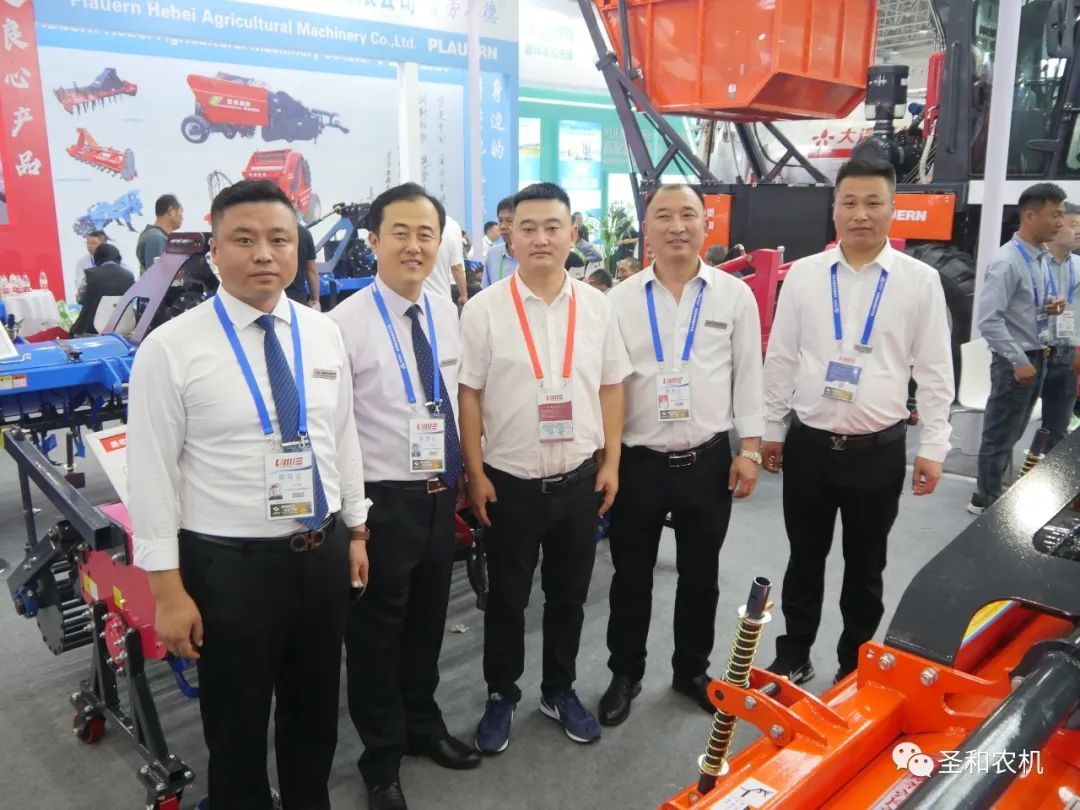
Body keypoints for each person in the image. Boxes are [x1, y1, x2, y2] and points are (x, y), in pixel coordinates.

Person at [126, 180, 371, 810]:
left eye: (279, 239)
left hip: (320, 552)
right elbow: (150, 474)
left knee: (314, 713)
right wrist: (167, 591)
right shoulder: (170, 349)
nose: (264, 253)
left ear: (296, 249)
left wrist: (356, 528)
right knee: (235, 727)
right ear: (213, 250)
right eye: (244, 239)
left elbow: (341, 437)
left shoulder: (322, 333)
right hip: (229, 568)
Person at [761, 157, 954, 686]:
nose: (861, 214)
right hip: (809, 447)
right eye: (849, 202)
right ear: (834, 209)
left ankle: (855, 666)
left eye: (873, 203)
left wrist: (934, 445)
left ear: (893, 209)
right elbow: (781, 358)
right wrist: (773, 429)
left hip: (878, 451)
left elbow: (935, 369)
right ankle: (795, 652)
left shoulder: (920, 282)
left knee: (866, 568)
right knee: (804, 558)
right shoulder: (804, 276)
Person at [459, 182, 632, 752]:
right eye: (527, 227)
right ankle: (501, 693)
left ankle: (559, 690)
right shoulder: (484, 309)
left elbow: (611, 386)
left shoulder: (598, 307)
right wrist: (476, 473)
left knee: (569, 596)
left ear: (572, 234)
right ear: (509, 235)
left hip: (579, 480)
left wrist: (612, 460)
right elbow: (470, 395)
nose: (540, 238)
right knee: (507, 600)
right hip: (509, 483)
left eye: (552, 227)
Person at [328, 183, 480, 810]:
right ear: (373, 241)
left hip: (439, 497)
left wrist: (464, 473)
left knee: (426, 624)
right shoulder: (343, 326)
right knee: (374, 638)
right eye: (401, 232)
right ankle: (381, 758)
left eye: (426, 234)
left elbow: (455, 400)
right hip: (381, 503)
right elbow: (337, 431)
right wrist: (355, 525)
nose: (414, 246)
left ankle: (422, 724)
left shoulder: (446, 313)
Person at [598, 184, 765, 726]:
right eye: (663, 216)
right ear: (646, 228)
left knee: (701, 575)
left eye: (688, 215)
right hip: (638, 461)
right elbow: (606, 385)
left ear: (705, 225)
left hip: (707, 461)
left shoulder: (733, 296)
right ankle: (625, 672)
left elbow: (749, 376)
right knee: (630, 576)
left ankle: (691, 669)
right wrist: (607, 460)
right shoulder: (618, 301)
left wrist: (751, 449)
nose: (676, 226)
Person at [968, 182, 1066, 514]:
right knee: (1000, 433)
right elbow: (989, 320)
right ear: (1030, 216)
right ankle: (985, 500)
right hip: (1017, 361)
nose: (1060, 222)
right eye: (1055, 214)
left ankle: (991, 492)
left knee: (1014, 431)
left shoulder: (1039, 257)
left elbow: (1020, 307)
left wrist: (1046, 309)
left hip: (1038, 355)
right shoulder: (1007, 262)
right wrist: (1017, 360)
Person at [1038, 201, 1080, 450]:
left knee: (1058, 427)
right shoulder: (1032, 261)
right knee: (1013, 425)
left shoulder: (1078, 266)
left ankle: (1048, 470)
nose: (1079, 231)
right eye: (1073, 224)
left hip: (1066, 353)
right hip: (1034, 351)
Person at [70, 243, 135, 336]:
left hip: (90, 329)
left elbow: (80, 299)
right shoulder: (129, 276)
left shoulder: (90, 275)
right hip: (123, 327)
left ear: (97, 258)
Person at [424, 211, 468, 308]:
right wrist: (463, 295)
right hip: (441, 296)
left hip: (413, 297)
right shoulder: (451, 225)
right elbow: (456, 267)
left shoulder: (410, 222)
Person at [136, 194, 184, 274]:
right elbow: (156, 275)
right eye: (180, 212)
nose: (182, 217)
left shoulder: (158, 236)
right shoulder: (155, 238)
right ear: (170, 211)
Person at [481, 197, 519, 288]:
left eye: (509, 221)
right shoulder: (493, 254)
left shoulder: (533, 255)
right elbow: (485, 290)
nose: (503, 226)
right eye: (500, 221)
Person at [283, 222, 320, 310]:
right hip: (298, 298)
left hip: (275, 297)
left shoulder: (270, 231)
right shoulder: (304, 233)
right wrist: (315, 300)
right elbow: (311, 270)